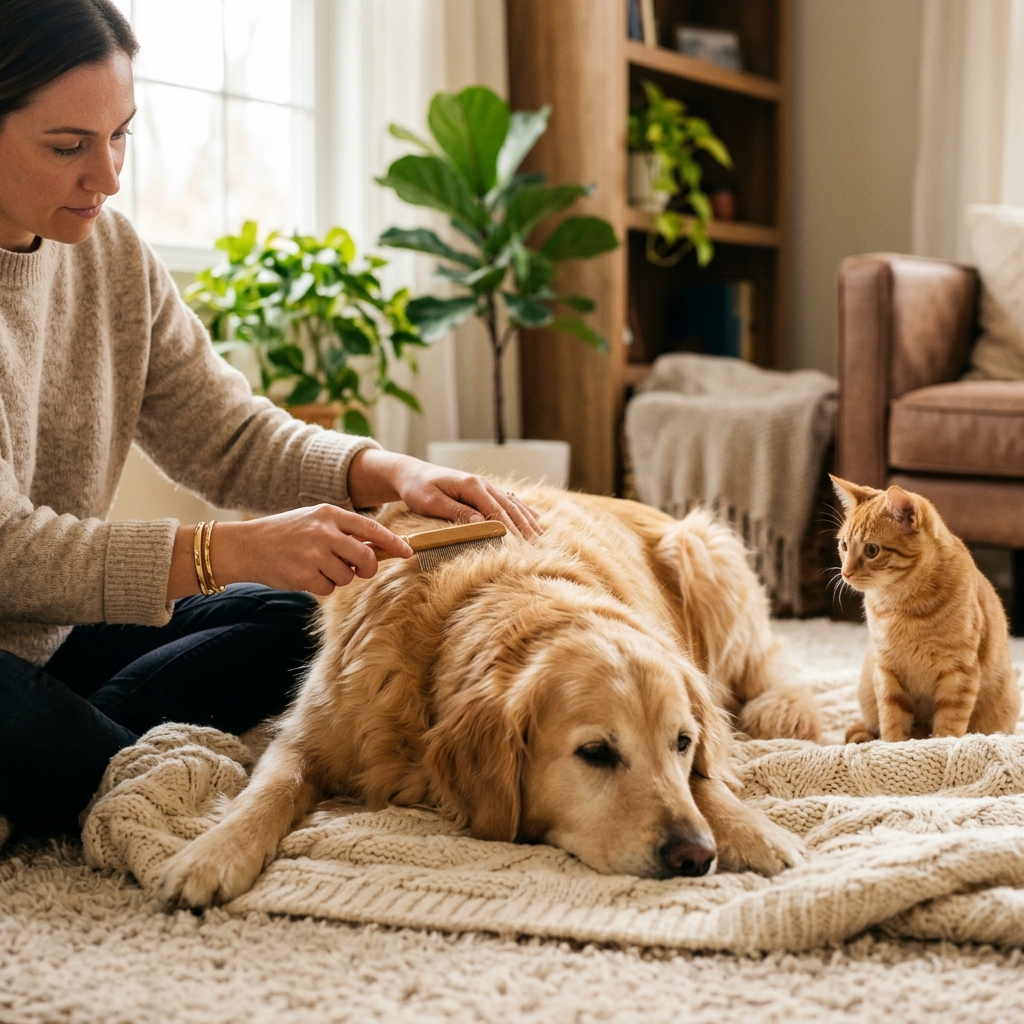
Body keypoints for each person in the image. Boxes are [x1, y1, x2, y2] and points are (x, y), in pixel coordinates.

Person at [0, 0, 540, 838]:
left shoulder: (113, 255)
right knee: (68, 736)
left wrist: (386, 472)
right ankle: (69, 755)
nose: (106, 178)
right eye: (69, 147)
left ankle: (63, 753)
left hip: (50, 638)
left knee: (303, 620)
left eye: (121, 137)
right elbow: (6, 549)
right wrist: (229, 549)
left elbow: (227, 431)